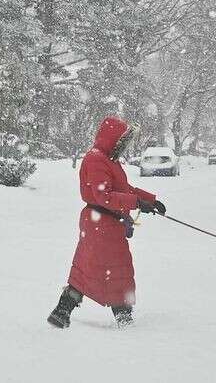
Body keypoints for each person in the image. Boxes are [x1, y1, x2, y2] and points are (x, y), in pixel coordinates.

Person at [47, 116, 166, 329]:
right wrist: (137, 202)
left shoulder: (107, 160)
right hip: (100, 223)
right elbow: (104, 196)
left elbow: (124, 189)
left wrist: (150, 200)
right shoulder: (95, 160)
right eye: (122, 141)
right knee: (112, 269)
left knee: (95, 267)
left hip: (106, 224)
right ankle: (122, 316)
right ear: (113, 139)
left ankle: (62, 311)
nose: (124, 145)